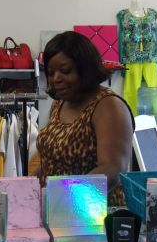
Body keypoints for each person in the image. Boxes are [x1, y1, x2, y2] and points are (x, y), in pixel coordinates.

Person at [36, 31, 134, 206]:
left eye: (65, 71)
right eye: (50, 73)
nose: (56, 79)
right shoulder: (59, 104)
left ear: (85, 69)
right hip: (54, 208)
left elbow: (113, 169)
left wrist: (66, 199)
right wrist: (26, 189)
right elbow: (50, 162)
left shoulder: (108, 105)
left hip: (92, 211)